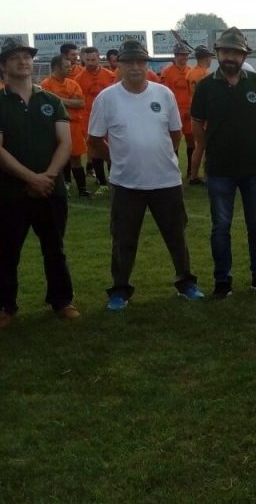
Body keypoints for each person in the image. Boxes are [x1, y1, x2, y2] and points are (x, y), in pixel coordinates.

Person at [88, 39, 204, 309]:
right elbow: (94, 140)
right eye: (129, 62)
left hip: (166, 181)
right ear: (119, 65)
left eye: (140, 62)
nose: (135, 68)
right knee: (123, 240)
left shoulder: (163, 94)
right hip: (126, 183)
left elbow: (175, 133)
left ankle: (186, 282)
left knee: (176, 236)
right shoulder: (107, 98)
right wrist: (117, 159)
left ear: (147, 64)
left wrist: (158, 154)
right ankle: (119, 290)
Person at [0, 38, 79, 327]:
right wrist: (31, 178)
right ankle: (5, 306)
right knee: (7, 252)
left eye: (26, 56)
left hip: (50, 190)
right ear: (3, 65)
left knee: (55, 249)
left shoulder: (51, 100)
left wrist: (48, 176)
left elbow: (65, 143)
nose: (23, 61)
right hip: (11, 192)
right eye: (15, 57)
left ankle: (62, 300)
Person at [190, 27, 256, 299]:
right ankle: (222, 281)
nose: (230, 57)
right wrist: (211, 145)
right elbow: (196, 123)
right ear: (218, 54)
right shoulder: (206, 86)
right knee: (220, 227)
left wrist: (250, 139)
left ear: (243, 56)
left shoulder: (255, 82)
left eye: (236, 53)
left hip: (254, 167)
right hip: (220, 169)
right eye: (226, 52)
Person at [40, 55, 88, 196]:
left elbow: (81, 103)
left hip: (73, 125)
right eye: (66, 66)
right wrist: (70, 100)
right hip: (54, 127)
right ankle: (62, 185)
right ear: (56, 67)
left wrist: (59, 99)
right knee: (58, 157)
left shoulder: (72, 84)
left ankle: (82, 189)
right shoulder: (46, 84)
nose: (70, 69)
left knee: (76, 158)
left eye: (70, 66)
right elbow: (47, 105)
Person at [74, 46, 116, 194]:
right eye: (87, 60)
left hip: (110, 116)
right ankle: (102, 182)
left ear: (99, 58)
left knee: (112, 147)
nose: (90, 63)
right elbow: (79, 101)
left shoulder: (110, 76)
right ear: (83, 59)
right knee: (95, 149)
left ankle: (113, 178)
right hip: (90, 117)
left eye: (93, 59)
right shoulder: (79, 79)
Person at [161, 43, 196, 183]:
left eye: (186, 55)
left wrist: (192, 109)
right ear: (175, 56)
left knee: (191, 141)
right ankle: (173, 170)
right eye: (181, 55)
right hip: (174, 111)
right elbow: (164, 94)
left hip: (189, 111)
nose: (184, 57)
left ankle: (190, 171)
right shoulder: (167, 72)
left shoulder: (191, 71)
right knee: (172, 141)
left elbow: (195, 93)